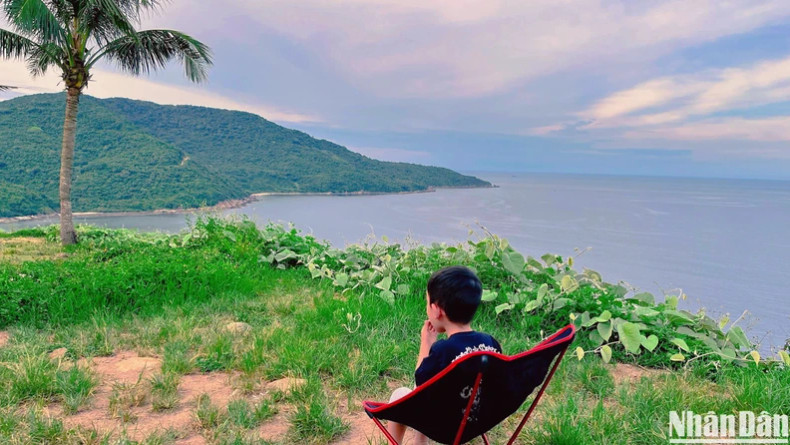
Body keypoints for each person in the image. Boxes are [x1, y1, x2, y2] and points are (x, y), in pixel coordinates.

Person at [386, 266, 502, 444]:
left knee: (401, 394)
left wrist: (426, 343)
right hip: (476, 422)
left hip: (442, 427)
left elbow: (420, 387)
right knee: (432, 398)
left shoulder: (443, 350)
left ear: (437, 309)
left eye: (427, 304)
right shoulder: (490, 343)